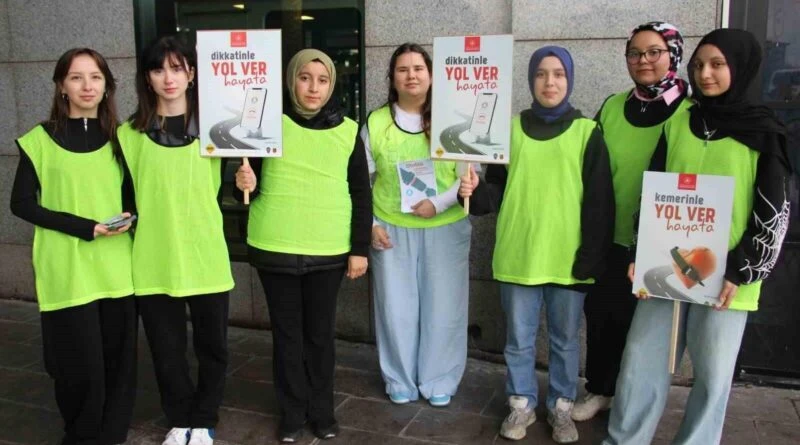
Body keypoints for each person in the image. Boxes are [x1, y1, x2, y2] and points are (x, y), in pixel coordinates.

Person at [603, 28, 791, 445]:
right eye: (699, 65)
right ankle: (624, 440)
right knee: (640, 362)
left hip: (728, 275)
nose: (706, 74)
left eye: (718, 64)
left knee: (712, 375)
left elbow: (773, 212)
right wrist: (641, 250)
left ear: (740, 69)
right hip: (666, 266)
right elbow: (653, 188)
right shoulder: (681, 122)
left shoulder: (763, 132)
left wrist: (741, 271)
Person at [459, 46, 614, 443]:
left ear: (569, 80)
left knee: (564, 341)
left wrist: (590, 259)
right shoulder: (507, 130)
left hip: (569, 260)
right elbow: (492, 193)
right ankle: (521, 406)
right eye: (541, 74)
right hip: (519, 255)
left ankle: (561, 408)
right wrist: (473, 190)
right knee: (519, 340)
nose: (550, 82)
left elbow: (600, 202)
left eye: (558, 74)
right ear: (530, 81)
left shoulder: (587, 132)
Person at [234, 48, 371, 443]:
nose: (313, 87)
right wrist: (243, 183)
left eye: (322, 79)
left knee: (320, 337)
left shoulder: (348, 130)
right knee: (287, 337)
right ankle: (292, 414)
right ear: (291, 80)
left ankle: (323, 413)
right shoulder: (265, 125)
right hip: (275, 247)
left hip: (328, 251)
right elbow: (247, 184)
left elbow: (361, 194)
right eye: (305, 78)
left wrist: (358, 247)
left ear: (332, 84)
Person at [10, 47, 137, 445]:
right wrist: (85, 227)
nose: (87, 86)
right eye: (77, 77)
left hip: (117, 268)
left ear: (107, 85)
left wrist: (128, 216)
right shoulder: (39, 140)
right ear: (61, 85)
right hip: (66, 268)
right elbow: (22, 204)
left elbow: (135, 197)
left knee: (118, 362)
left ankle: (112, 433)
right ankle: (80, 434)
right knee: (76, 365)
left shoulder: (123, 140)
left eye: (95, 77)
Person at [119, 36, 234, 445]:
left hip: (205, 253)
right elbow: (123, 196)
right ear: (146, 78)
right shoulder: (127, 135)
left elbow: (242, 182)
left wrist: (248, 179)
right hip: (154, 255)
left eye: (178, 67)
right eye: (158, 69)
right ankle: (180, 417)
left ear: (192, 74)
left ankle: (204, 418)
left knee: (212, 347)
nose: (169, 77)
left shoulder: (219, 130)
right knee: (166, 350)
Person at [573, 21, 691, 421]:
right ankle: (600, 390)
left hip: (661, 243)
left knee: (644, 331)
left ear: (673, 54)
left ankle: (633, 399)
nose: (643, 61)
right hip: (609, 235)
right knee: (602, 318)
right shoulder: (612, 105)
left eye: (654, 52)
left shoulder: (691, 110)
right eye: (635, 53)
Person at [363, 42, 471, 409]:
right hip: (391, 228)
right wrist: (371, 224)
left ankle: (439, 377)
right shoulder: (376, 122)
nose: (411, 75)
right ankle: (399, 378)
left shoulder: (452, 117)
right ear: (392, 78)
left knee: (445, 307)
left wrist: (438, 203)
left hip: (445, 226)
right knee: (395, 308)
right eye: (403, 69)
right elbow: (360, 179)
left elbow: (469, 174)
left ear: (431, 75)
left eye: (418, 68)